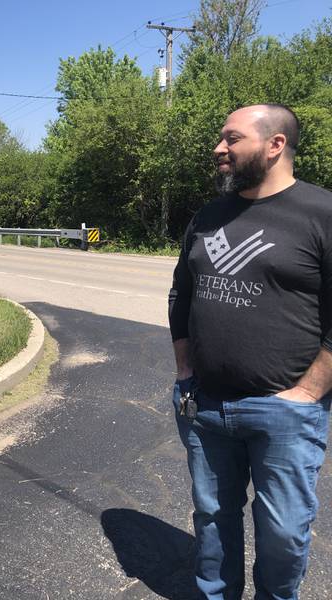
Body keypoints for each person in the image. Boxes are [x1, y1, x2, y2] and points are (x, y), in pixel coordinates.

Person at [169, 104, 332, 599]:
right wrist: (184, 369)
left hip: (285, 410)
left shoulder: (321, 213)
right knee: (213, 518)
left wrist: (308, 391)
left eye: (231, 139)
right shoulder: (209, 216)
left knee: (283, 532)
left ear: (275, 144)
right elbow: (182, 293)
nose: (219, 149)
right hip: (205, 403)